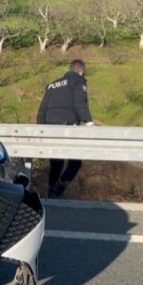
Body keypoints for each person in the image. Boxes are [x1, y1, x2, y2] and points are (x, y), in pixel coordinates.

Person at [37, 59, 94, 198]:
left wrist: (40, 129)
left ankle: (51, 192)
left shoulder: (52, 85)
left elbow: (42, 110)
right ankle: (59, 188)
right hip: (67, 126)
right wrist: (89, 122)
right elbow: (81, 102)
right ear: (80, 71)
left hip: (50, 127)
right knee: (75, 162)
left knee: (56, 162)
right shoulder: (78, 81)